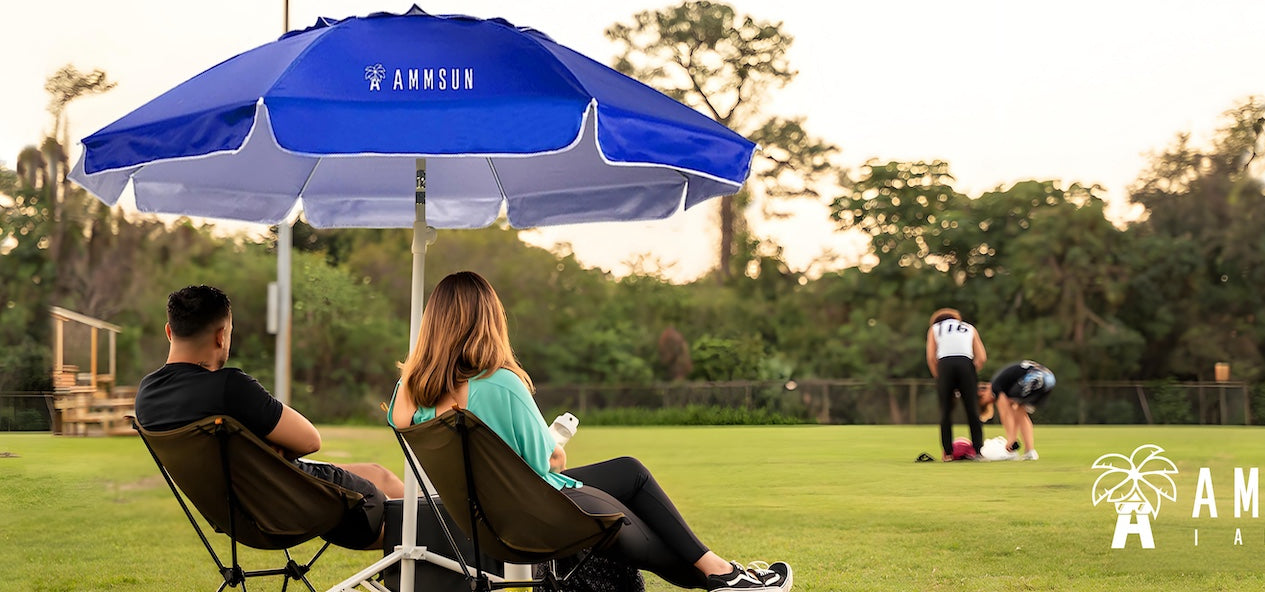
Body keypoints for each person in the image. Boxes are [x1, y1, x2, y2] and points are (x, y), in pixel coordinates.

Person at [390, 271, 793, 592]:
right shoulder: (499, 384)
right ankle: (726, 577)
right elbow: (547, 461)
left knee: (629, 473)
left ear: (433, 325)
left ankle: (726, 573)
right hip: (533, 514)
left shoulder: (414, 399)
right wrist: (556, 449)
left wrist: (422, 360)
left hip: (483, 521)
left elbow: (399, 416)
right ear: (490, 321)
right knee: (634, 520)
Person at [135, 285, 405, 550]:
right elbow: (310, 440)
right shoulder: (229, 386)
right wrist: (275, 451)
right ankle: (423, 549)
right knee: (387, 495)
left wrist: (263, 452)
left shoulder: (147, 395)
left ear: (169, 332)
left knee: (377, 475)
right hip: (289, 505)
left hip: (238, 515)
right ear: (221, 336)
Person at [925, 308, 988, 461]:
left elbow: (931, 357)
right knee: (972, 410)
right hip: (966, 363)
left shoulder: (935, 329)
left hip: (945, 365)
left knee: (945, 411)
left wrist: (939, 378)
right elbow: (981, 358)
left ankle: (947, 453)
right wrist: (971, 373)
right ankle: (978, 451)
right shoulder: (969, 328)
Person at [986, 360, 1055, 461]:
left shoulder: (995, 387)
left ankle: (1026, 450)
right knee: (1019, 410)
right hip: (1049, 379)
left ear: (983, 392)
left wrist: (1011, 438)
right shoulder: (1006, 385)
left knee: (1016, 409)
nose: (991, 402)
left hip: (1037, 377)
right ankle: (1029, 451)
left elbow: (1005, 413)